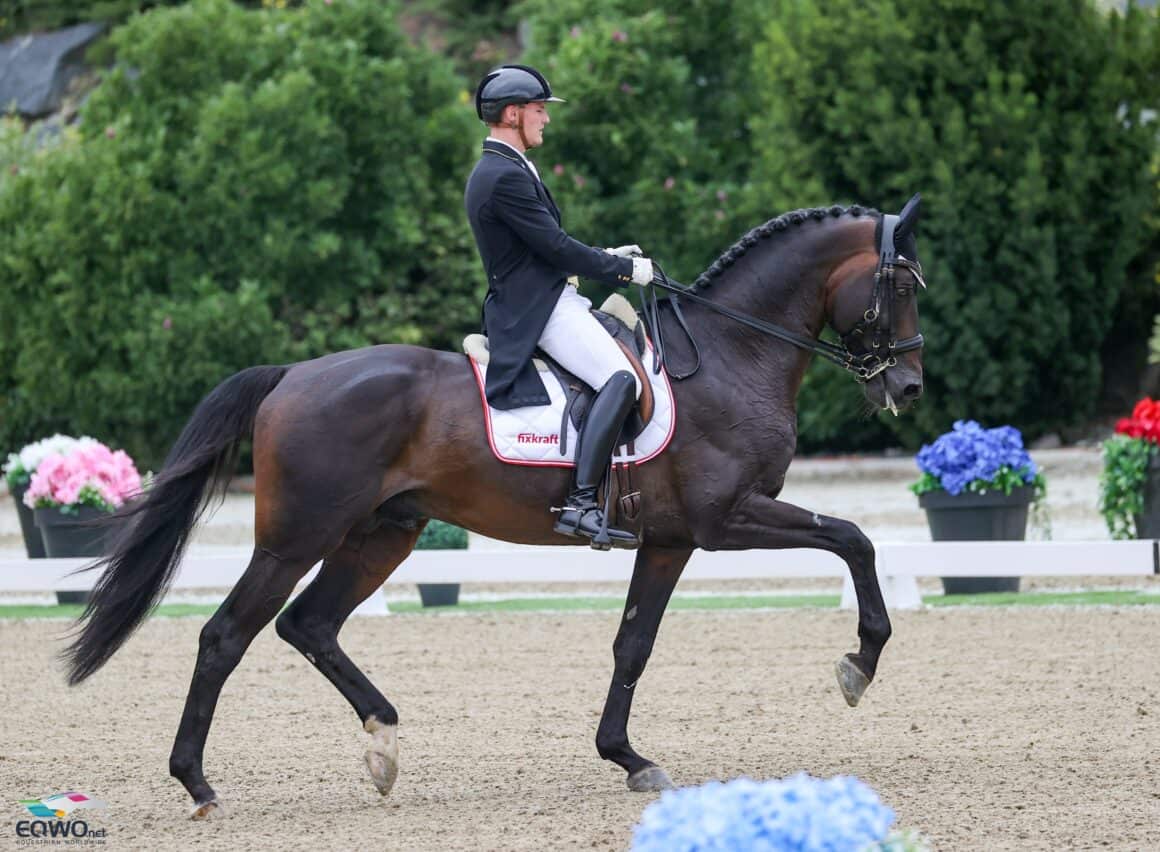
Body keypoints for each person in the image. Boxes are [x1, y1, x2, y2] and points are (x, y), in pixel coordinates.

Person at [464, 64, 655, 550]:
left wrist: (611, 254)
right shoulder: (502, 174)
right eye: (539, 109)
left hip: (546, 297)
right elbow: (555, 246)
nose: (546, 118)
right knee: (622, 379)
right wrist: (620, 270)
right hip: (538, 310)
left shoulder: (507, 166)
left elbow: (542, 247)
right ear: (512, 114)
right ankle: (582, 503)